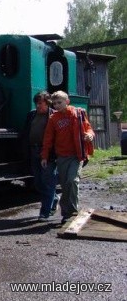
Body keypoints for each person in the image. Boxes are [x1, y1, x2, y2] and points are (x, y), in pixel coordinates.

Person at [41, 91, 95, 225]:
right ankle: (66, 213)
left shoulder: (78, 113)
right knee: (65, 185)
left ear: (67, 101)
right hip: (61, 157)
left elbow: (89, 129)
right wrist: (44, 156)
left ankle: (72, 212)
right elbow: (48, 138)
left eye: (59, 102)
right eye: (54, 103)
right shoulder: (53, 119)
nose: (57, 105)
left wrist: (89, 135)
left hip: (77, 155)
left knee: (72, 180)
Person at [24, 91, 59, 222]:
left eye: (40, 103)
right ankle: (54, 199)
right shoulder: (31, 115)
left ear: (47, 103)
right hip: (34, 151)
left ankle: (44, 212)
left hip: (49, 152)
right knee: (38, 182)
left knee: (48, 182)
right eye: (37, 103)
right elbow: (26, 132)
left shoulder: (54, 116)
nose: (38, 106)